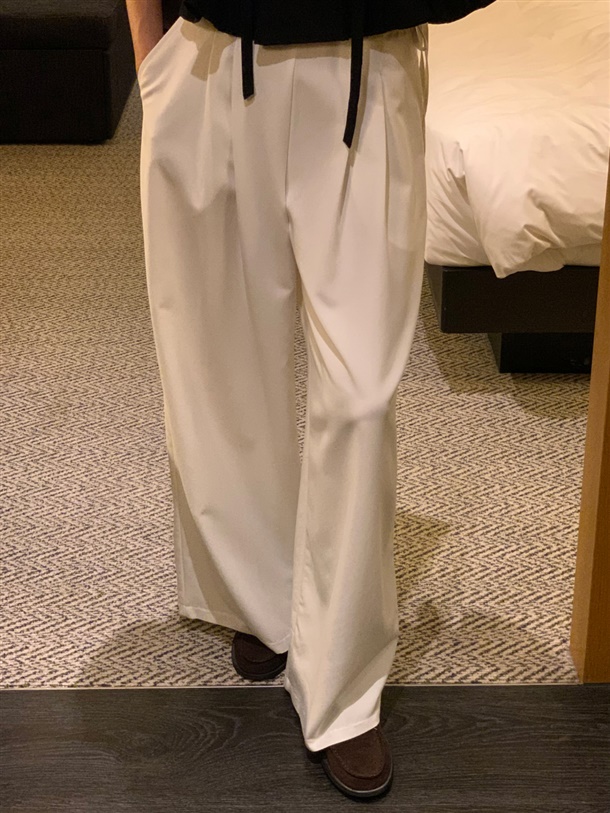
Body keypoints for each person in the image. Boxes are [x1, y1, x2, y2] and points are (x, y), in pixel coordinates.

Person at [126, 0, 494, 800]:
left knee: (362, 396)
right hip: (210, 61)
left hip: (368, 65)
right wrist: (151, 60)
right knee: (218, 368)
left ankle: (342, 682)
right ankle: (261, 595)